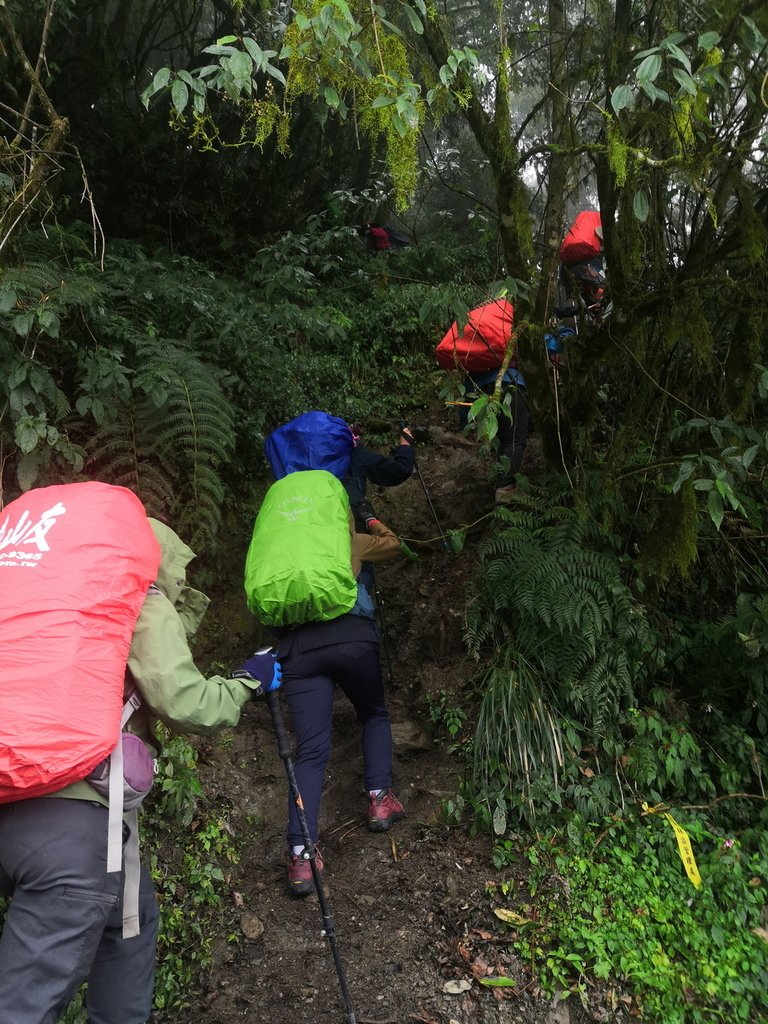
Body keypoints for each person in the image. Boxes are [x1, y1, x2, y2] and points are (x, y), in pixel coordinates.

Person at [0, 513, 279, 1024]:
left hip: (16, 809)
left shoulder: (30, 601)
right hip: (74, 833)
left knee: (131, 921)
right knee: (23, 1006)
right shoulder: (132, 595)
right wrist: (247, 682)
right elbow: (186, 702)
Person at [274, 499, 407, 897]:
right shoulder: (348, 540)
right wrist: (371, 519)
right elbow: (395, 544)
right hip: (352, 638)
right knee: (373, 713)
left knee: (311, 751)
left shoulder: (287, 549)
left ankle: (301, 855)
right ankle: (380, 800)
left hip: (299, 648)